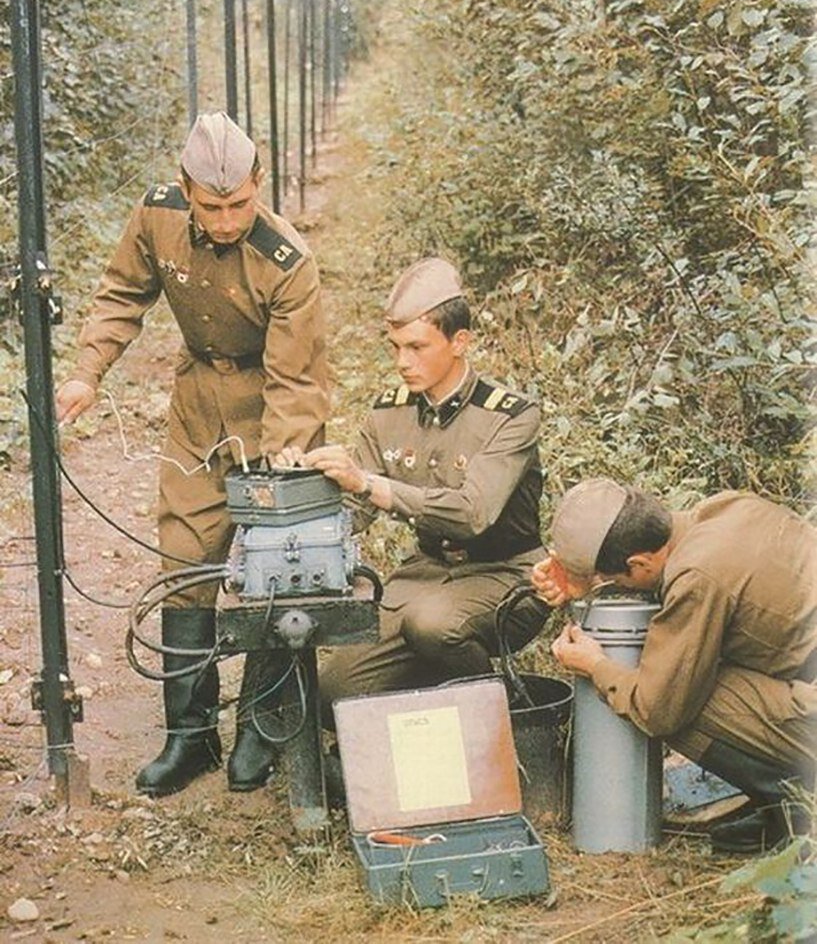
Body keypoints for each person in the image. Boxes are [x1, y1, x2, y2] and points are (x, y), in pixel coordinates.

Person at [56, 111, 329, 798]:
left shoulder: (287, 262)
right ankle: (190, 736)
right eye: (213, 207)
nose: (228, 219)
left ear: (258, 185)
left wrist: (278, 469)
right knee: (184, 561)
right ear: (184, 190)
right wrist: (88, 371)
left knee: (275, 568)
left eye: (240, 203)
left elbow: (297, 381)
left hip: (272, 405)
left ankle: (262, 730)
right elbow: (122, 292)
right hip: (197, 407)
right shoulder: (156, 218)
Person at [276, 256, 549, 720]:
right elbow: (353, 511)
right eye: (396, 347)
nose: (402, 362)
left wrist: (370, 483)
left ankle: (503, 722)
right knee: (331, 696)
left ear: (459, 342)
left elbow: (472, 512)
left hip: (505, 574)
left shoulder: (511, 415)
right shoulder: (389, 413)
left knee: (436, 628)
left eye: (417, 347)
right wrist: (304, 481)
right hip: (422, 580)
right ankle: (433, 709)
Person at [533, 478, 817, 853]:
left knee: (671, 698)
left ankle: (799, 809)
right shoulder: (726, 508)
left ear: (637, 563)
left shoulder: (697, 576)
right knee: (683, 669)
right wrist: (589, 583)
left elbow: (658, 709)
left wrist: (596, 665)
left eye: (614, 577)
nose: (611, 583)